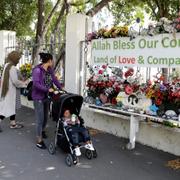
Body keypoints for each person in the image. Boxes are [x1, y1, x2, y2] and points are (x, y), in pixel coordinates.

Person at [32, 52, 62, 149]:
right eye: (52, 60)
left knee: (45, 116)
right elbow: (36, 84)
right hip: (38, 97)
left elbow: (54, 79)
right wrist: (47, 89)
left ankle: (42, 130)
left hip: (46, 97)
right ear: (49, 61)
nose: (52, 62)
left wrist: (60, 88)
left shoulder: (49, 69)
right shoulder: (37, 70)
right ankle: (39, 140)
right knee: (39, 119)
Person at [0, 51, 28, 132]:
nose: (19, 60)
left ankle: (13, 123)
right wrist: (24, 83)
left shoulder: (7, 65)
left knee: (11, 107)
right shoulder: (12, 68)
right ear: (15, 58)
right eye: (18, 59)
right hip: (10, 92)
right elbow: (15, 81)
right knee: (5, 109)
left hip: (7, 91)